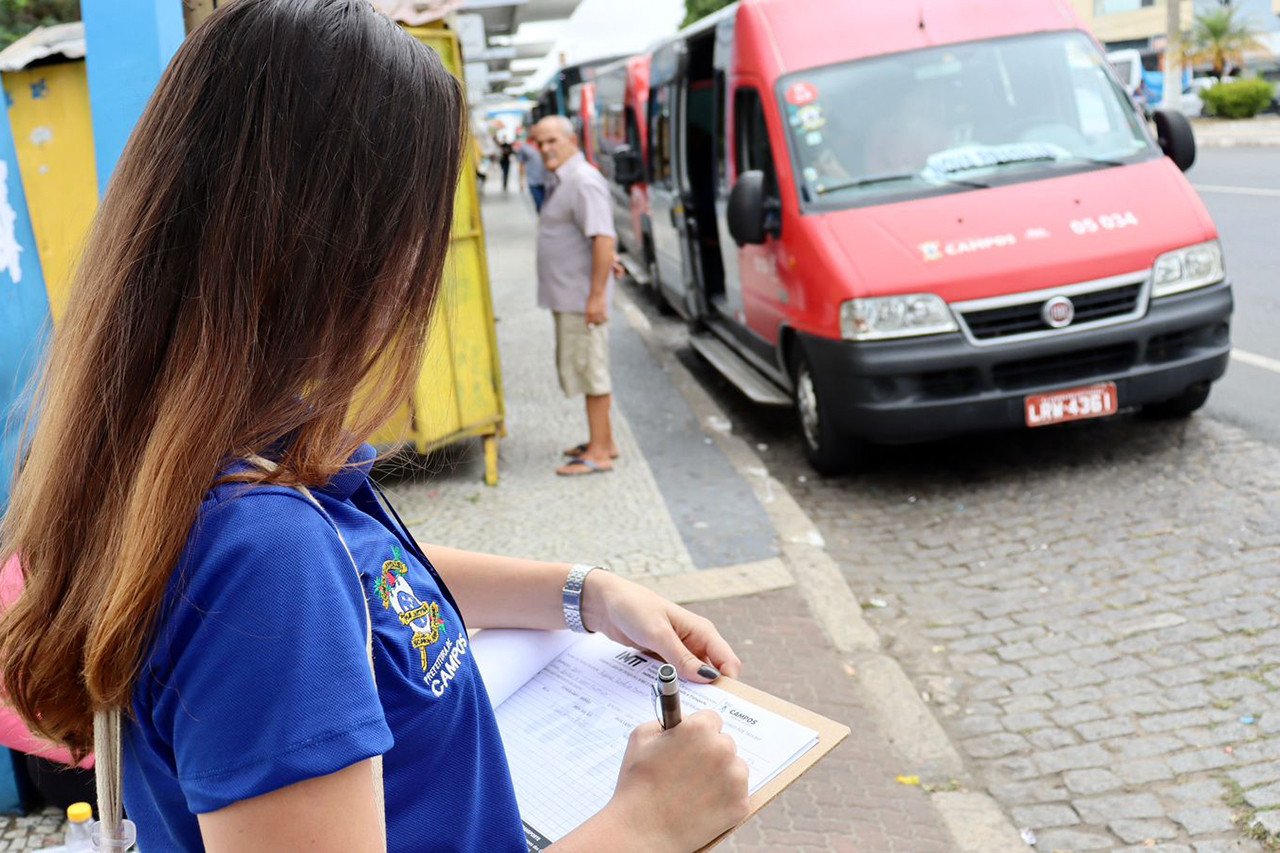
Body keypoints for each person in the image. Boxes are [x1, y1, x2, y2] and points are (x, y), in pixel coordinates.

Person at [0, 3, 749, 852]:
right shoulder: (265, 557)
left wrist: (584, 592)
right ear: (346, 253)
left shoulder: (216, 458)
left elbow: (377, 592)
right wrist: (647, 823)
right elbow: (306, 599)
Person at [532, 116, 621, 477]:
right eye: (539, 143)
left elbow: (603, 237)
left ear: (571, 140)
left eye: (552, 140)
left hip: (581, 300)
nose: (545, 148)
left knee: (591, 372)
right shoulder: (564, 179)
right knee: (586, 370)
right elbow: (591, 235)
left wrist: (597, 296)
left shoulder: (583, 181)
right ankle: (604, 441)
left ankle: (599, 453)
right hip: (570, 295)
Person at [516, 130, 549, 213]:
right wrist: (521, 181)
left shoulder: (546, 145)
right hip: (533, 181)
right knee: (539, 205)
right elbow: (521, 164)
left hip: (547, 180)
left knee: (548, 206)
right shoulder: (525, 147)